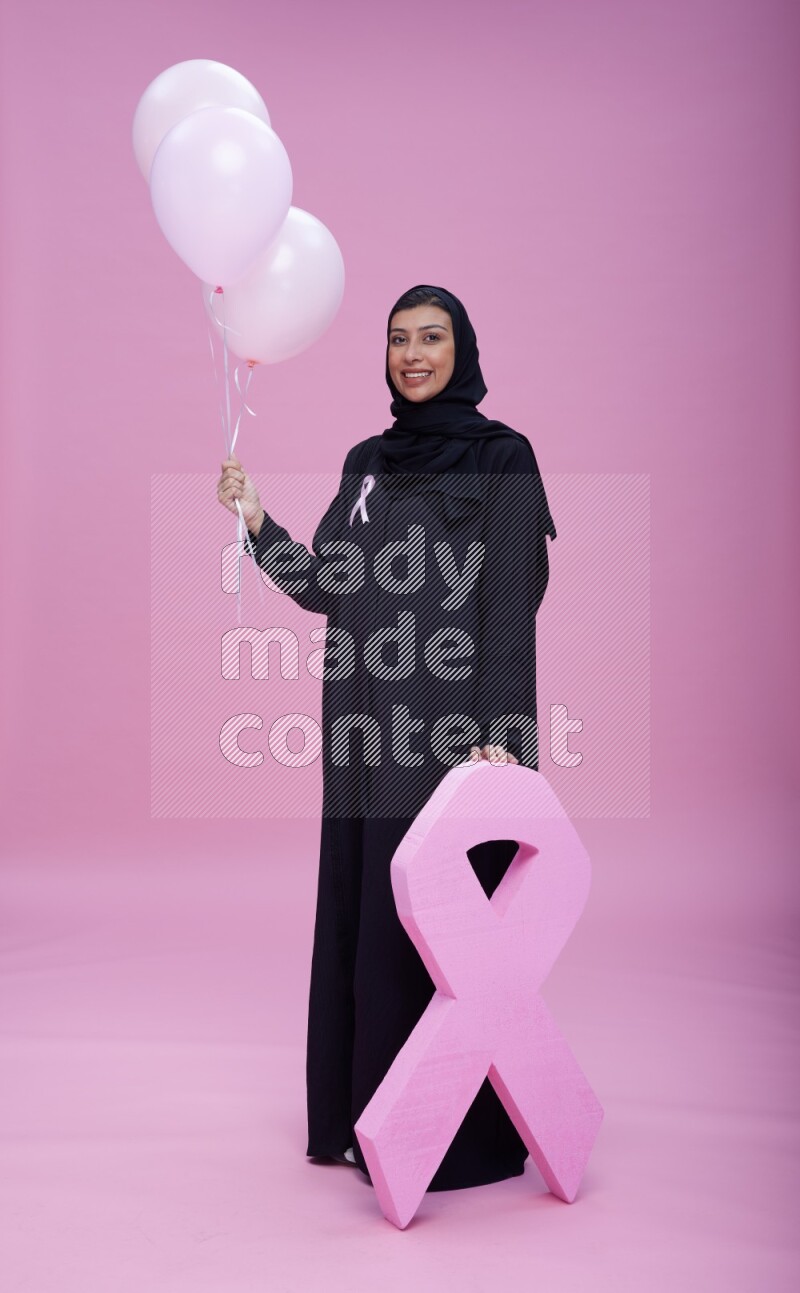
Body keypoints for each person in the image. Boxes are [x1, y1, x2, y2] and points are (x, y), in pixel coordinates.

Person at [217, 285, 557, 1191]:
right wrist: (257, 522)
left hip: (452, 739)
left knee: (439, 933)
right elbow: (329, 583)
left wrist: (502, 738)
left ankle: (451, 1142)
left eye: (431, 337)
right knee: (369, 917)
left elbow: (510, 604)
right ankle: (367, 1123)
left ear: (462, 350)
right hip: (365, 732)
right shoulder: (366, 461)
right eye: (399, 338)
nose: (413, 354)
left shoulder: (503, 458)